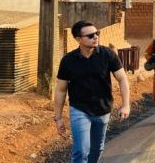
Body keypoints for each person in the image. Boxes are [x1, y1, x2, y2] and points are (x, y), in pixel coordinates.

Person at [54, 20, 131, 163]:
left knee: (97, 149)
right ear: (78, 39)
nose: (95, 37)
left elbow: (122, 79)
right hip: (79, 110)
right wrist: (58, 118)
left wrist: (126, 104)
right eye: (90, 35)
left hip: (103, 109)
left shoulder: (107, 54)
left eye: (97, 33)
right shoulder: (68, 60)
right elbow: (60, 90)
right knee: (81, 150)